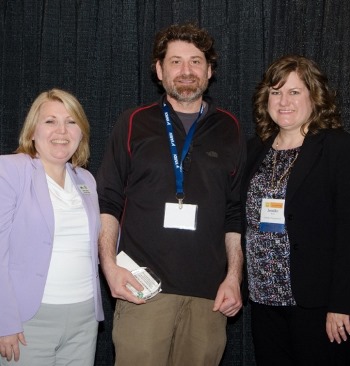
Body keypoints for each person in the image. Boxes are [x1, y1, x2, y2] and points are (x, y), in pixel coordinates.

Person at [97, 22, 246, 366]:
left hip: (208, 298)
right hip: (143, 293)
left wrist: (234, 277)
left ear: (209, 71)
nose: (186, 71)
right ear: (160, 70)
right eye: (176, 61)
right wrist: (108, 266)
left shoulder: (230, 128)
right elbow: (108, 200)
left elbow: (234, 213)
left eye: (195, 61)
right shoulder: (133, 122)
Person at [241, 54, 350, 365]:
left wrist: (341, 303)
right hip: (263, 299)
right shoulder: (254, 150)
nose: (283, 101)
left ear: (314, 96)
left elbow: (347, 230)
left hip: (316, 303)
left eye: (294, 92)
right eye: (275, 92)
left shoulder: (337, 148)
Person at [0, 89, 104, 366]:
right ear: (32, 130)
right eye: (50, 121)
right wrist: (4, 321)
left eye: (71, 122)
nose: (62, 130)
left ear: (81, 132)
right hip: (27, 321)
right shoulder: (9, 171)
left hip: (84, 319)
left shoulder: (86, 180)